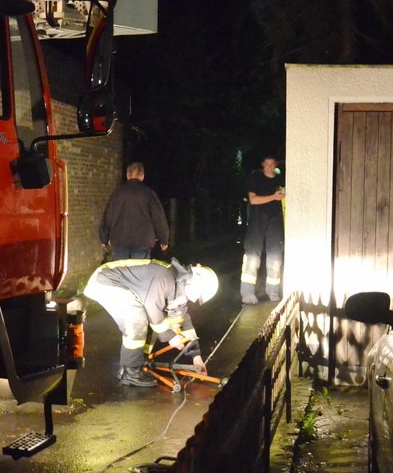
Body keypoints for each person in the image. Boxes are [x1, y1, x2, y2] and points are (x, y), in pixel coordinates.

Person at [84, 258, 219, 387]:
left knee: (157, 321)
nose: (195, 300)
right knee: (137, 317)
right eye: (198, 294)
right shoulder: (164, 278)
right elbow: (153, 310)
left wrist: (196, 357)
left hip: (122, 285)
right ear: (193, 281)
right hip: (106, 280)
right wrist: (171, 336)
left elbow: (184, 322)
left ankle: (137, 361)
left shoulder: (180, 289)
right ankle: (131, 372)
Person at [98, 162, 170, 261]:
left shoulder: (117, 193)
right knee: (139, 272)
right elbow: (158, 217)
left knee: (122, 272)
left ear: (127, 175)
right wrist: (164, 239)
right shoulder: (148, 193)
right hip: (143, 240)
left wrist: (104, 238)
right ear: (142, 176)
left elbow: (108, 217)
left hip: (120, 240)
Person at [240, 155, 285, 305]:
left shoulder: (281, 180)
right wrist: (274, 197)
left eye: (272, 164)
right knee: (252, 256)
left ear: (276, 165)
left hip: (276, 220)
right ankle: (247, 292)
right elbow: (253, 199)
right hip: (257, 220)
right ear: (262, 165)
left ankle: (273, 291)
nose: (269, 167)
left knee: (275, 257)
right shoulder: (255, 178)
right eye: (266, 164)